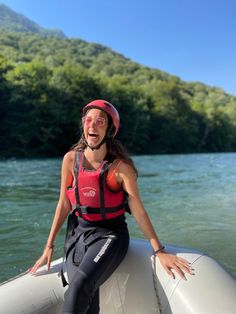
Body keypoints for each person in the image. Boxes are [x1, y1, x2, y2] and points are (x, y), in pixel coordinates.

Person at [30, 99, 192, 313]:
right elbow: (64, 202)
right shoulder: (70, 160)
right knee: (86, 296)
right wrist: (49, 245)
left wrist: (159, 251)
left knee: (79, 287)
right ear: (83, 125)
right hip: (78, 235)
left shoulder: (120, 168)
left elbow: (139, 211)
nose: (92, 125)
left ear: (109, 130)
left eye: (100, 121)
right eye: (88, 120)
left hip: (110, 235)